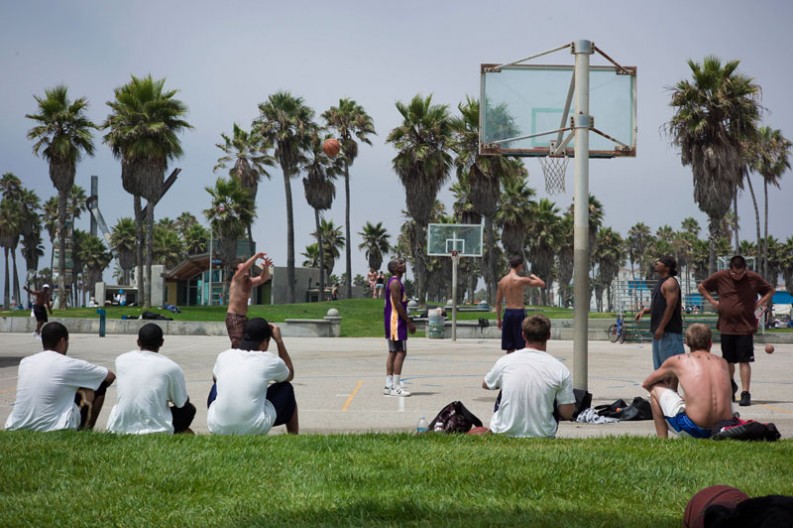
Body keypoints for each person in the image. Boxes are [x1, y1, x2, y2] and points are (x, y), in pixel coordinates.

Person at [5, 322, 116, 431]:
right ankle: (86, 430)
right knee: (96, 387)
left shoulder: (25, 362)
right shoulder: (69, 364)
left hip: (17, 424)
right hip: (53, 426)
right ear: (62, 341)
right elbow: (109, 376)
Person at [481, 314, 575, 438]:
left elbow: (486, 384)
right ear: (548, 336)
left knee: (503, 387)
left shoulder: (506, 361)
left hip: (504, 431)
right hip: (543, 433)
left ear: (523, 335)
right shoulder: (560, 369)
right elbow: (567, 413)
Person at [697, 255, 774, 407]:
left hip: (745, 326)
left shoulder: (753, 278)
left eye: (740, 273)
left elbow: (770, 290)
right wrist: (713, 301)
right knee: (728, 360)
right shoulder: (721, 276)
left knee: (744, 361)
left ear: (745, 270)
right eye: (734, 273)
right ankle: (731, 385)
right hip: (726, 325)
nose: (737, 276)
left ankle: (745, 393)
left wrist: (758, 303)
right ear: (730, 269)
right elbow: (702, 287)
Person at [207, 317, 298, 435]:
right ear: (264, 342)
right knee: (286, 388)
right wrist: (279, 341)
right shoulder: (269, 360)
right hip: (253, 428)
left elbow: (215, 379)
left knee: (217, 386)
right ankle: (294, 435)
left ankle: (225, 419)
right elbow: (289, 374)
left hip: (216, 427)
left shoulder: (224, 356)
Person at [642, 323, 734, 439]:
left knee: (655, 389)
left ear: (687, 343)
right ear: (710, 343)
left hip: (694, 428)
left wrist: (671, 388)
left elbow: (646, 383)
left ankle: (662, 440)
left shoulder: (679, 361)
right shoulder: (722, 363)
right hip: (722, 428)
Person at [106, 323, 196, 434]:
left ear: (138, 342)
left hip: (120, 427)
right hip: (155, 429)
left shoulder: (121, 360)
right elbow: (181, 403)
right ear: (162, 342)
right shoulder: (171, 367)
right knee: (189, 410)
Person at [635, 256, 685, 374]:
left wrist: (661, 327)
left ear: (667, 268)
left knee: (672, 366)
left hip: (669, 331)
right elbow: (660, 306)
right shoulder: (661, 283)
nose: (656, 263)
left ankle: (673, 392)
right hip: (659, 332)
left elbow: (670, 307)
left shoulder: (670, 283)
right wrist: (645, 311)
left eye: (660, 262)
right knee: (660, 368)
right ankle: (665, 391)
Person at [495, 255, 546, 352]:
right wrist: (533, 276)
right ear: (520, 266)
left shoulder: (502, 281)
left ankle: (511, 365)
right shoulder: (521, 280)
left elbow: (498, 302)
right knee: (522, 344)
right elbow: (542, 284)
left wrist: (498, 319)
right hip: (519, 312)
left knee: (509, 346)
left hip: (508, 313)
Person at [383, 258, 416, 397]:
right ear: (395, 268)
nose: (404, 265)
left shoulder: (395, 282)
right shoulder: (395, 282)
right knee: (401, 352)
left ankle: (388, 384)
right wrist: (408, 321)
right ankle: (396, 387)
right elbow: (397, 304)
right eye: (400, 263)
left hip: (392, 321)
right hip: (396, 321)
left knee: (393, 352)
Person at [226, 251, 272, 349]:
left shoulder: (249, 282)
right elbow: (243, 268)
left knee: (246, 343)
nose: (246, 271)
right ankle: (235, 362)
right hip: (234, 317)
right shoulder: (236, 280)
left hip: (244, 318)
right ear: (236, 271)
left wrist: (266, 268)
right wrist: (256, 256)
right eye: (243, 269)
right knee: (238, 344)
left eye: (247, 270)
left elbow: (263, 278)